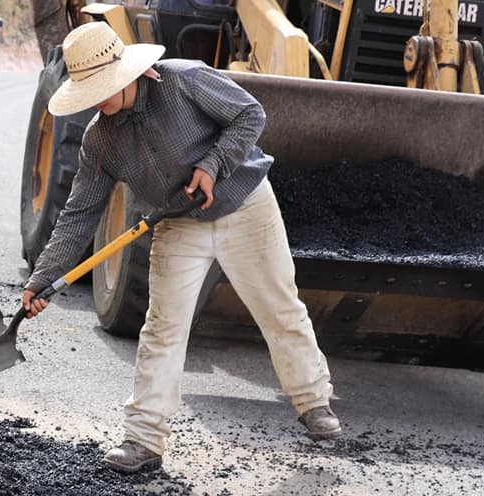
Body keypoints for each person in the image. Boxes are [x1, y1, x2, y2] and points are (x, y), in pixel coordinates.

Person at [22, 22, 342, 473]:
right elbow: (79, 214)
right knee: (162, 328)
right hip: (178, 221)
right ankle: (144, 439)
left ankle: (314, 403)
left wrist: (213, 165)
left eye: (102, 88)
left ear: (127, 73)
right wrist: (42, 279)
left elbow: (250, 114)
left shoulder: (184, 81)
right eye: (88, 92)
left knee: (279, 307)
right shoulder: (100, 139)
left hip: (245, 204)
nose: (97, 100)